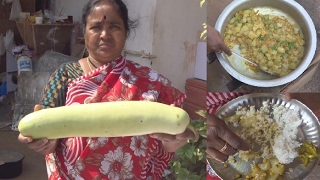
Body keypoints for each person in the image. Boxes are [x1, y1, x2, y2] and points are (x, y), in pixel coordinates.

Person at [18, 0, 194, 179]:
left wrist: (173, 143)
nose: (105, 35)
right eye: (95, 27)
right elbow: (48, 128)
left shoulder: (150, 81)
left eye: (114, 27)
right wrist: (44, 143)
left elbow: (169, 139)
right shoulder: (65, 75)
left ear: (126, 32)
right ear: (84, 33)